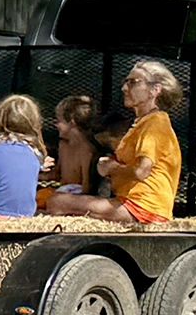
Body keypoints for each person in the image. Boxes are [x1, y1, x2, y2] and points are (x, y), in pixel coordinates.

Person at [48, 61, 184, 223]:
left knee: (58, 202)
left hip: (144, 208)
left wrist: (113, 168)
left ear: (155, 90)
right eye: (125, 82)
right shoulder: (143, 122)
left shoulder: (155, 124)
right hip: (131, 202)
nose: (124, 88)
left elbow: (142, 171)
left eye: (133, 83)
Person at [38, 95, 97, 210]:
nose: (56, 125)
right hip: (61, 190)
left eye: (59, 121)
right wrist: (37, 175)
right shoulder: (63, 145)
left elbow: (86, 187)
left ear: (72, 123)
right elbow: (57, 174)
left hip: (74, 195)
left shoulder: (86, 150)